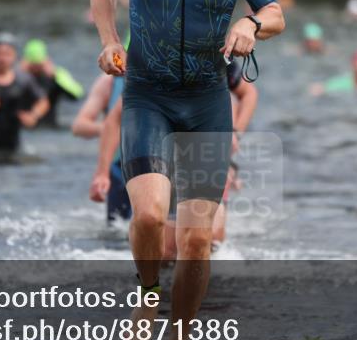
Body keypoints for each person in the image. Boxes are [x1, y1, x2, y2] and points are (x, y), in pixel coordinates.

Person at [89, 0, 285, 340]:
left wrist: (250, 24)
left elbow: (274, 12)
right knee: (150, 216)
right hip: (147, 93)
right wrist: (107, 40)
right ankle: (147, 294)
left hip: (205, 101)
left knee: (198, 239)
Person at [89, 59, 258, 232]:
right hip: (160, 155)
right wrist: (102, 173)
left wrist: (236, 132)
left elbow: (248, 93)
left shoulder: (218, 57)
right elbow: (114, 121)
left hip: (204, 153)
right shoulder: (153, 61)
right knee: (151, 232)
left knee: (209, 236)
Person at [20, 39, 84, 129]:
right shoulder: (16, 77)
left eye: (39, 65)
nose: (36, 69)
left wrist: (55, 76)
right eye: (33, 65)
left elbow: (78, 95)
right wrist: (19, 74)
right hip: (24, 126)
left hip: (49, 126)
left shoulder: (57, 75)